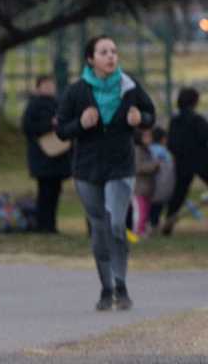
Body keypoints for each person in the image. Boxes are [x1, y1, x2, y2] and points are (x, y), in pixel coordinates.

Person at [56, 35, 155, 311]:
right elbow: (61, 130)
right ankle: (106, 288)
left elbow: (150, 115)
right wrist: (80, 123)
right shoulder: (77, 91)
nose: (111, 56)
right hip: (87, 169)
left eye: (114, 51)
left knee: (114, 223)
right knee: (99, 227)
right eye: (104, 52)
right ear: (91, 59)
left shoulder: (129, 86)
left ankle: (121, 284)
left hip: (121, 166)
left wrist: (141, 120)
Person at [22, 75, 72, 234]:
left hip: (59, 157)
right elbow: (28, 127)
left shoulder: (59, 104)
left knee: (56, 192)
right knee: (44, 192)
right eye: (46, 84)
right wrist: (48, 125)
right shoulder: (34, 105)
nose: (50, 87)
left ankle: (51, 225)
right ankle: (42, 224)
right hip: (42, 157)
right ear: (38, 87)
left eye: (52, 84)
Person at [162, 87, 208, 236]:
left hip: (182, 162)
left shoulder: (175, 121)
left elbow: (171, 144)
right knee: (179, 192)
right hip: (202, 160)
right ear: (194, 102)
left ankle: (168, 224)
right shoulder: (197, 120)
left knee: (178, 194)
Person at [147, 127, 175, 233]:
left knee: (147, 209)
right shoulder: (166, 152)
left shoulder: (148, 149)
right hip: (163, 186)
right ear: (163, 139)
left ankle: (149, 226)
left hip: (149, 186)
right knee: (156, 209)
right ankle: (154, 226)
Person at [132, 127, 159, 237]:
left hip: (147, 189)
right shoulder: (137, 150)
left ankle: (142, 232)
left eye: (150, 136)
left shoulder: (148, 150)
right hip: (139, 189)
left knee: (146, 212)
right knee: (140, 213)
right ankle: (137, 233)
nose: (150, 138)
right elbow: (137, 167)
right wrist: (154, 165)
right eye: (146, 136)